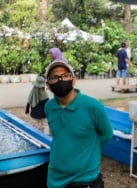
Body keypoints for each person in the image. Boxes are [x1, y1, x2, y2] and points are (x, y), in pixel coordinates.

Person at [44, 59, 113, 188]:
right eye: (54, 77)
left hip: (84, 179)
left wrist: (88, 153)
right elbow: (59, 135)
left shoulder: (93, 106)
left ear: (73, 80)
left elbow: (107, 134)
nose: (60, 80)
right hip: (54, 178)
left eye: (65, 76)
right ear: (48, 85)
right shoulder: (49, 107)